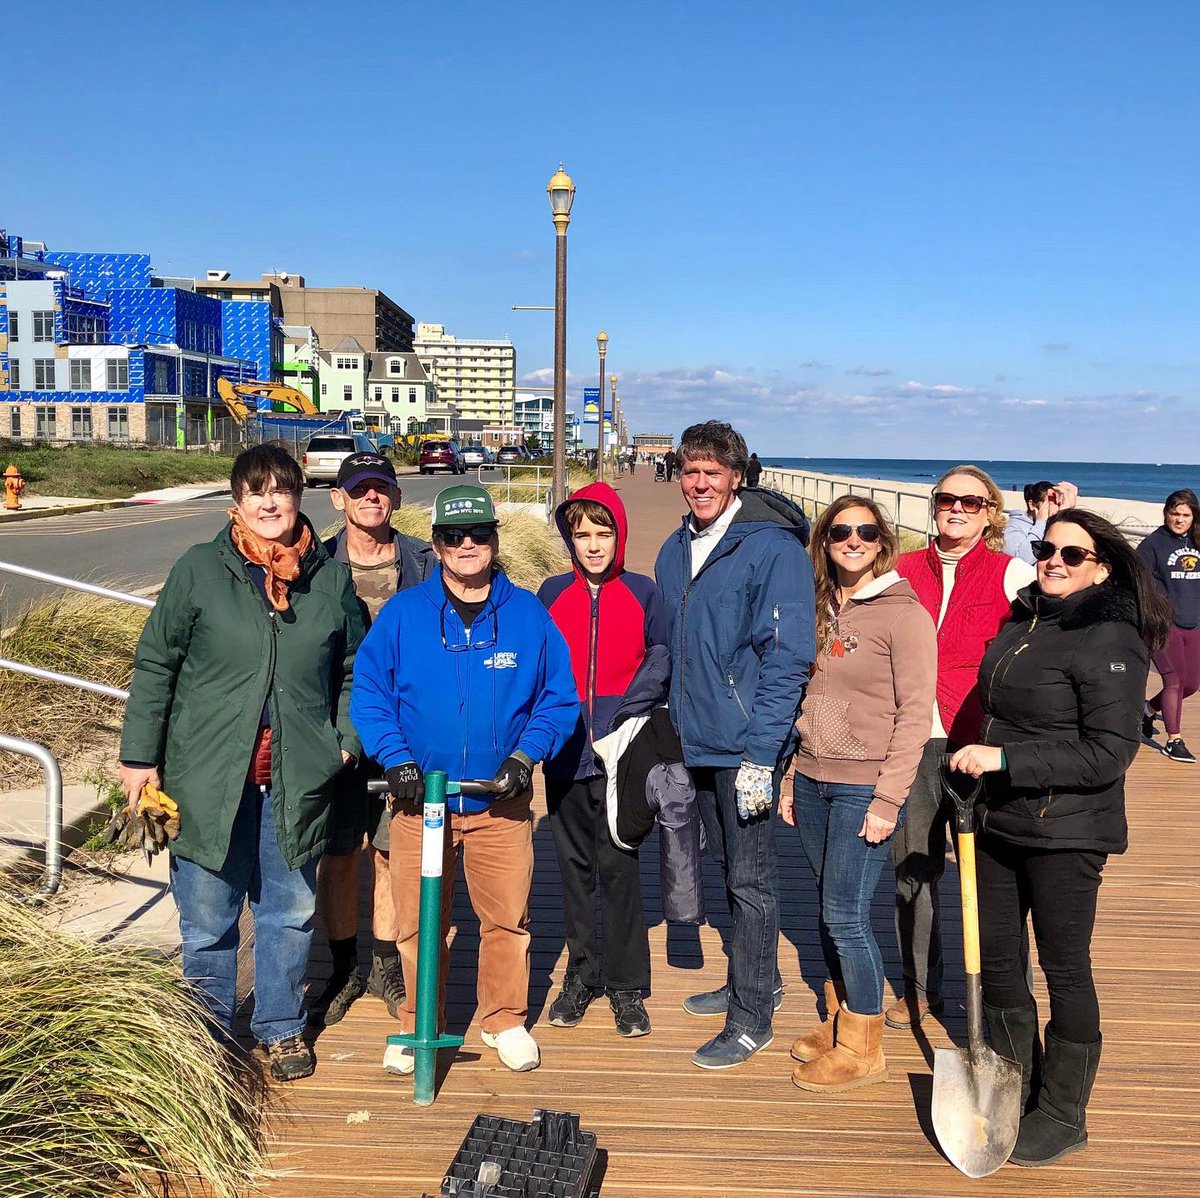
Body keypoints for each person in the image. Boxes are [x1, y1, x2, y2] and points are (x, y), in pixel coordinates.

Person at [118, 444, 366, 1083]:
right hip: (205, 780)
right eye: (255, 491)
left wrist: (343, 740)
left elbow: (353, 671)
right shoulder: (200, 570)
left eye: (280, 490)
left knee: (289, 910)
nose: (268, 502)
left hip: (297, 777)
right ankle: (207, 1033)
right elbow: (156, 667)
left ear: (298, 497)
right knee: (208, 917)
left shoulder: (328, 578)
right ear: (236, 502)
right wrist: (139, 760)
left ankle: (281, 1026)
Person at [950, 509, 1171, 1166]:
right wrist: (977, 768)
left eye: (1072, 555)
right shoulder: (1028, 622)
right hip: (995, 820)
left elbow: (1109, 753)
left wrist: (1007, 762)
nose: (1053, 560)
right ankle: (1014, 1088)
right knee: (996, 962)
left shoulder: (1110, 638)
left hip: (1067, 833)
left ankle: (1064, 1112)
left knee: (1064, 969)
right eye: (1047, 548)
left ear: (1103, 567)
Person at [350, 484, 578, 1075]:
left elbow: (558, 700)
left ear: (495, 541)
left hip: (498, 801)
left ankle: (503, 1018)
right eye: (454, 536)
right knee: (418, 921)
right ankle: (419, 1021)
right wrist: (394, 756)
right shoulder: (404, 614)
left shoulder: (528, 615)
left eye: (479, 534)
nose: (468, 545)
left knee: (507, 917)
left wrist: (526, 757)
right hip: (419, 802)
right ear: (438, 545)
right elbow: (371, 695)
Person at [655, 420, 815, 1069]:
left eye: (712, 472)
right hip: (698, 742)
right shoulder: (675, 547)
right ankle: (757, 978)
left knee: (751, 880)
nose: (700, 483)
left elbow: (789, 658)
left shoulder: (771, 548)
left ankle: (753, 1018)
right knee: (726, 867)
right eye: (691, 471)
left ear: (737, 477)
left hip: (748, 747)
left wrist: (762, 754)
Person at [782, 496, 935, 1093]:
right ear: (824, 540)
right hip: (816, 778)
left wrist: (888, 801)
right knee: (827, 904)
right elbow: (803, 701)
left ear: (882, 542)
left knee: (847, 915)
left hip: (865, 786)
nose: (853, 540)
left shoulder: (904, 616)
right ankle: (843, 1016)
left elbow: (914, 717)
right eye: (840, 530)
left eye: (865, 532)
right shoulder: (818, 606)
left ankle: (864, 1047)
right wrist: (794, 777)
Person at [887, 465, 1035, 1030]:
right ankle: (922, 989)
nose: (956, 509)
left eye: (971, 503)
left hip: (982, 740)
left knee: (994, 877)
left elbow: (1051, 636)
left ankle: (1001, 995)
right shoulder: (900, 570)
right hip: (915, 738)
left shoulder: (1011, 573)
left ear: (990, 514)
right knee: (913, 872)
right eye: (946, 498)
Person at [537, 482, 669, 1037]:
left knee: (619, 868)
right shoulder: (550, 592)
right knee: (574, 871)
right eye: (581, 534)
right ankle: (580, 976)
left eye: (603, 532)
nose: (593, 545)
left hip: (623, 754)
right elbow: (536, 667)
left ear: (620, 534)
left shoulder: (644, 592)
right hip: (565, 753)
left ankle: (626, 985)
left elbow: (661, 658)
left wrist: (624, 719)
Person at [309, 453, 435, 1027]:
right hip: (335, 733)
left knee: (388, 852)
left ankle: (386, 961)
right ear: (338, 498)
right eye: (359, 489)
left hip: (405, 736)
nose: (371, 498)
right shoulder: (314, 564)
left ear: (397, 498)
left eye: (381, 488)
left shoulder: (425, 563)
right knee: (338, 856)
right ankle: (342, 965)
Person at [1137, 489, 1200, 763]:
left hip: (1194, 622)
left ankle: (1148, 710)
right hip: (1164, 624)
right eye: (1175, 513)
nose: (1179, 519)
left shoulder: (1198, 541)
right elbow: (1137, 579)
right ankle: (1174, 740)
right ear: (1166, 513)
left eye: (1186, 514)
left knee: (1191, 684)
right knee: (1173, 679)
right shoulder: (1153, 545)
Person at [1004, 480, 1079, 565]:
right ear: (1032, 504)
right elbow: (1023, 560)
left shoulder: (1057, 525)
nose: (1057, 508)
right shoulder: (1014, 527)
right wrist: (1042, 523)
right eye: (1051, 502)